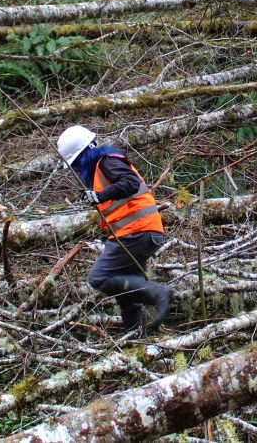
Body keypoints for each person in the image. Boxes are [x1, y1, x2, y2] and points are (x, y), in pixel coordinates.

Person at [57, 125, 175, 335]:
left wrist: (100, 196)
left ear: (81, 157)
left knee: (99, 277)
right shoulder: (100, 170)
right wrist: (95, 196)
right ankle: (136, 340)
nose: (76, 170)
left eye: (75, 164)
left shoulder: (107, 162)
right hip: (140, 232)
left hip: (136, 232)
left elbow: (130, 182)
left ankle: (158, 292)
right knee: (126, 296)